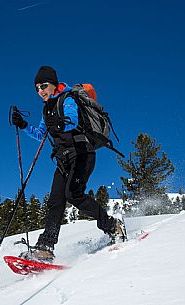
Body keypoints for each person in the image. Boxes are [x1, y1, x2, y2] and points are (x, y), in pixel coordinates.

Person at [12, 66, 125, 261]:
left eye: (44, 86)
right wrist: (23, 125)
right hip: (63, 160)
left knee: (74, 194)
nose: (40, 91)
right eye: (37, 88)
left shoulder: (68, 99)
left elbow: (72, 120)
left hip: (82, 153)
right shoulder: (46, 109)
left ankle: (112, 226)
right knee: (55, 201)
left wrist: (58, 123)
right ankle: (45, 247)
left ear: (53, 84)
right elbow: (41, 134)